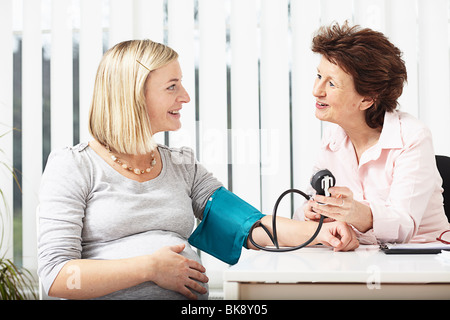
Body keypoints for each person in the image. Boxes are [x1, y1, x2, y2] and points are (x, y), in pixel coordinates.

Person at [38, 39, 358, 300]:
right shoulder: (74, 165)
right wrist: (150, 268)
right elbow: (56, 277)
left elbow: (247, 225)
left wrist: (320, 234)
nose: (185, 97)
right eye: (172, 86)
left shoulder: (181, 164)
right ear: (134, 94)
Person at [296, 22, 450, 245]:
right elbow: (302, 214)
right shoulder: (332, 138)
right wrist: (311, 212)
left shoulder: (412, 137)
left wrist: (357, 213)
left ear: (367, 98)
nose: (316, 91)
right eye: (319, 76)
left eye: (331, 83)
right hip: (358, 260)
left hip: (424, 263)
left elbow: (403, 226)